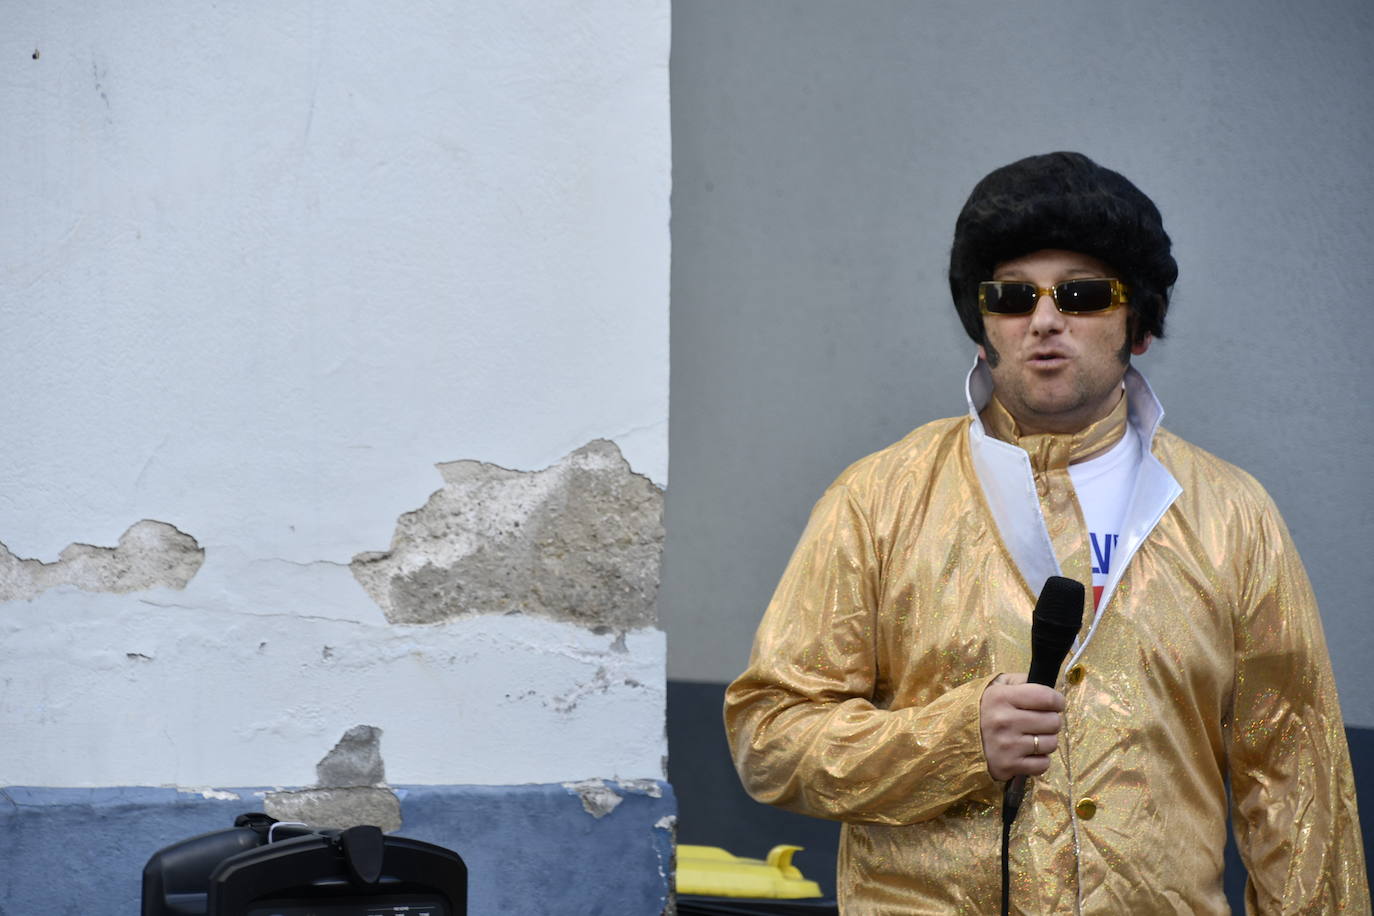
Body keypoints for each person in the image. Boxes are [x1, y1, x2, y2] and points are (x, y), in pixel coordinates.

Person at [723, 151, 1370, 914]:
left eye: (1083, 293)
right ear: (982, 323)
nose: (1045, 319)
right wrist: (958, 740)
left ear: (1140, 325)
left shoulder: (1233, 515)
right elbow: (770, 739)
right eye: (1012, 295)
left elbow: (1296, 778)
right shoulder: (878, 499)